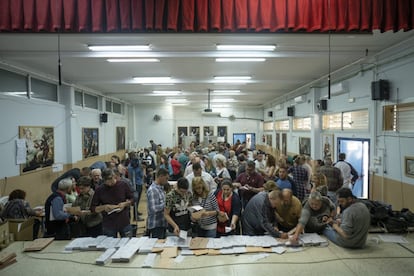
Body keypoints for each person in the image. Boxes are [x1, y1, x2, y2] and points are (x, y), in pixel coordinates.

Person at [90, 169, 134, 238]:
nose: (110, 182)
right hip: (108, 224)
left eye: (111, 179)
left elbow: (133, 199)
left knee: (128, 243)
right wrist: (104, 207)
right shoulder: (100, 190)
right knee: (110, 246)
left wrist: (125, 204)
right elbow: (93, 208)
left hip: (124, 221)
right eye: (107, 181)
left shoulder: (123, 185)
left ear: (114, 176)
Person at [147, 168, 170, 239]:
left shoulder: (161, 188)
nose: (167, 181)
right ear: (161, 176)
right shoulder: (153, 190)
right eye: (166, 178)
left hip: (162, 223)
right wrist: (167, 204)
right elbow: (153, 209)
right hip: (156, 225)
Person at [127, 152, 145, 221]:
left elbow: (129, 175)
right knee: (137, 200)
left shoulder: (129, 166)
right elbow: (141, 175)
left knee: (135, 200)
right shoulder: (139, 167)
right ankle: (135, 216)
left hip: (132, 184)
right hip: (138, 184)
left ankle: (136, 212)